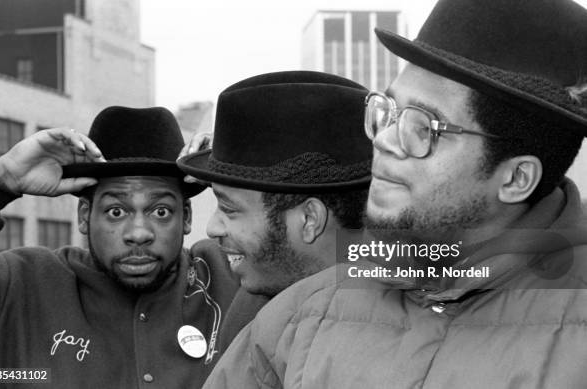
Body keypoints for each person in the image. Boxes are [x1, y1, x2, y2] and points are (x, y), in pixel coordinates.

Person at [202, 0, 587, 388]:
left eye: (424, 128)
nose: (385, 140)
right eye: (390, 112)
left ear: (516, 178)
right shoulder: (300, 319)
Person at [0, 106, 238, 388]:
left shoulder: (232, 276)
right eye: (116, 211)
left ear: (186, 216)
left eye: (160, 211)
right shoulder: (16, 285)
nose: (139, 233)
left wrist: (239, 172)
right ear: (84, 216)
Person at [177, 71, 372, 354]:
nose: (212, 227)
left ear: (309, 219)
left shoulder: (417, 299)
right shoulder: (251, 300)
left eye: (229, 209)